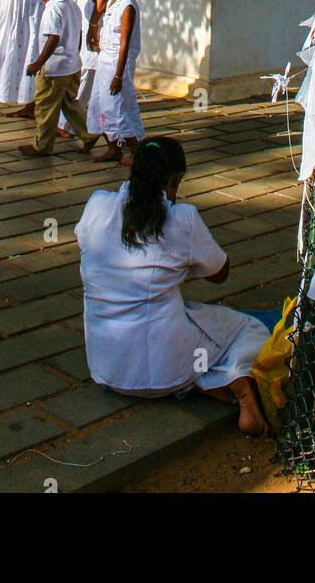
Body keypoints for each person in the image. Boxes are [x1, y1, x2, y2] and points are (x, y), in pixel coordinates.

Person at [75, 137, 268, 435]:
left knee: (189, 318)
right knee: (247, 328)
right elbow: (220, 273)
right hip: (167, 368)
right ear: (175, 179)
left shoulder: (97, 205)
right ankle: (238, 386)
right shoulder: (181, 218)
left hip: (107, 370)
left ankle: (205, 381)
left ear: (131, 170)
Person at [18, 0, 91, 158]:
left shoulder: (52, 9)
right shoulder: (72, 5)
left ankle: (41, 146)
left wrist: (38, 63)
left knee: (45, 107)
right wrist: (74, 55)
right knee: (70, 103)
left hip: (54, 69)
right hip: (72, 66)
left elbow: (53, 38)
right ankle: (88, 134)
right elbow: (79, 34)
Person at [84, 0, 144, 165]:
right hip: (105, 58)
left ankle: (136, 151)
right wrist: (100, 1)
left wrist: (118, 75)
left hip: (119, 63)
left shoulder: (127, 6)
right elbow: (98, 13)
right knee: (100, 104)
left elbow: (125, 44)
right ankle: (113, 148)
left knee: (117, 108)